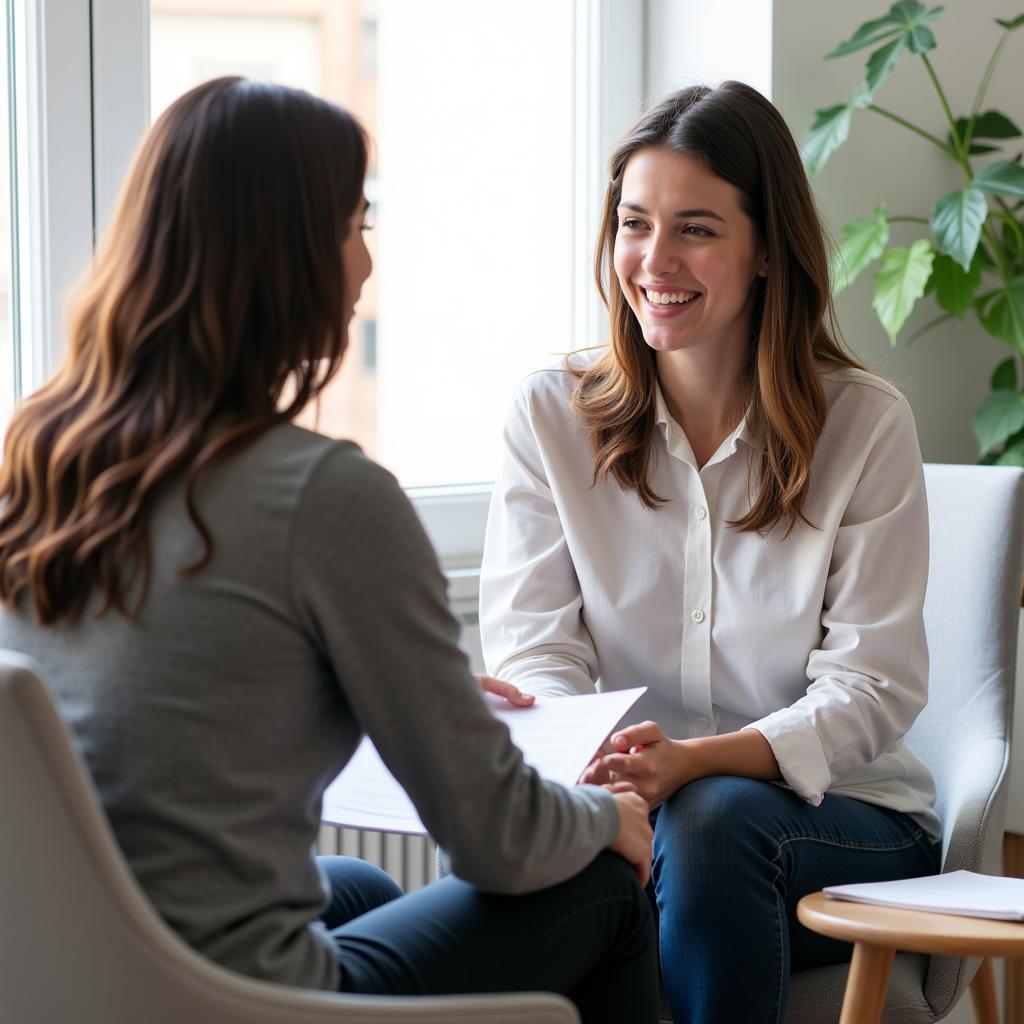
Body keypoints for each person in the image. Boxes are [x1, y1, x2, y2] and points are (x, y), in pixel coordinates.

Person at [0, 77, 660, 1023]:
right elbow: (497, 838)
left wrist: (394, 684)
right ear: (288, 257)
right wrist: (610, 817)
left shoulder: (38, 461)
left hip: (68, 970)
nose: (366, 266)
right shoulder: (323, 494)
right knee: (598, 885)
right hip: (222, 998)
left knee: (353, 886)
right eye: (357, 226)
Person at [480, 81, 941, 1023]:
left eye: (695, 229)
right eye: (634, 224)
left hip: (843, 824)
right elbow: (536, 649)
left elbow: (874, 687)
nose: (654, 261)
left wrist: (695, 761)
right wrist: (604, 770)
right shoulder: (547, 416)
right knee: (525, 847)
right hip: (633, 806)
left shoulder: (863, 426)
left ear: (767, 247)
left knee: (713, 820)